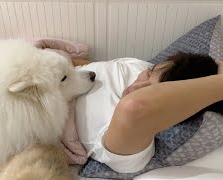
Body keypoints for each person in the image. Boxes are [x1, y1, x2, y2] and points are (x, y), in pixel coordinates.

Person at [75, 52, 223, 173]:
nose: (135, 87)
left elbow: (136, 107)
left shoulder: (128, 138)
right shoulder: (143, 68)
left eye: (149, 89)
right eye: (148, 73)